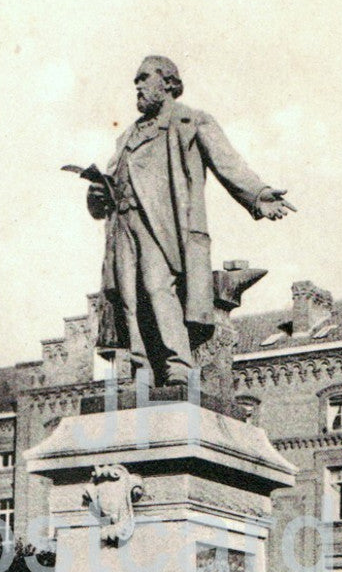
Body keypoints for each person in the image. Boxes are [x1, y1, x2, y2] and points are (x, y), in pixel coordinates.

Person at [87, 55, 295, 385]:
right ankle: (142, 369)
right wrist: (97, 195)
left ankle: (178, 366)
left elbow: (228, 163)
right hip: (124, 226)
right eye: (136, 81)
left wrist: (257, 194)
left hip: (163, 225)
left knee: (158, 288)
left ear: (168, 83)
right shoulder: (125, 137)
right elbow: (109, 185)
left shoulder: (191, 122)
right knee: (129, 299)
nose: (137, 86)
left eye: (144, 78)